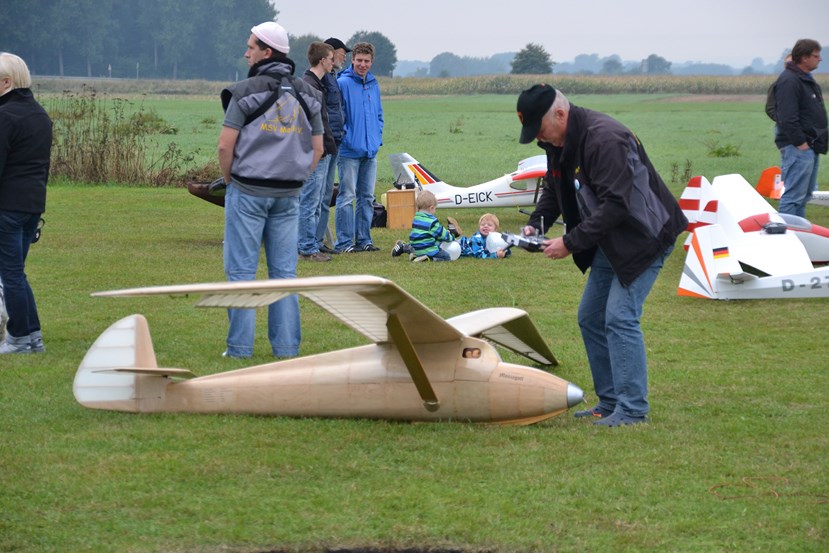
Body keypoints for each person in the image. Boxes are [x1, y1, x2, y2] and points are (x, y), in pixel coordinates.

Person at [516, 84, 687, 427]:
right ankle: (609, 402)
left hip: (644, 235)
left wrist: (570, 242)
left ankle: (633, 409)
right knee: (591, 317)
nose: (540, 139)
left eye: (541, 129)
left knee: (620, 318)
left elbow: (617, 205)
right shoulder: (557, 141)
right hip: (612, 239)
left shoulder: (604, 139)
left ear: (561, 115)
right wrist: (537, 223)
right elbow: (555, 185)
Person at [217, 22, 324, 358]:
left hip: (247, 192)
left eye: (251, 46)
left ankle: (238, 349)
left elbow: (225, 146)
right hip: (289, 195)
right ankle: (287, 349)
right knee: (284, 275)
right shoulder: (309, 93)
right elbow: (318, 148)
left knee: (241, 273)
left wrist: (231, 179)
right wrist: (298, 177)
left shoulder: (244, 91)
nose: (246, 52)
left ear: (266, 51)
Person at [0, 53, 52, 354]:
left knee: (10, 274)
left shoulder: (5, 117)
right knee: (17, 272)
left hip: (7, 206)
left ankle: (18, 338)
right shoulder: (39, 114)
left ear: (6, 82)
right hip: (32, 205)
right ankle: (33, 338)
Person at [334, 42, 384, 253]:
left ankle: (364, 239)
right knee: (347, 196)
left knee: (367, 197)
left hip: (370, 151)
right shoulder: (343, 83)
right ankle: (345, 242)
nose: (362, 65)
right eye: (359, 60)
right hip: (348, 151)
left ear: (371, 62)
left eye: (366, 61)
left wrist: (376, 138)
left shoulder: (373, 84)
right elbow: (338, 115)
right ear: (353, 60)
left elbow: (379, 115)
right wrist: (346, 138)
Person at [773, 39, 827, 217]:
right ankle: (787, 237)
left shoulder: (803, 79)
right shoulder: (790, 80)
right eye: (815, 56)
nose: (819, 59)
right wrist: (800, 143)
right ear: (804, 57)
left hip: (810, 145)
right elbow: (787, 117)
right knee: (793, 196)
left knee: (804, 195)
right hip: (798, 147)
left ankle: (798, 234)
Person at [297, 42, 337, 262]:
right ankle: (307, 249)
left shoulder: (316, 84)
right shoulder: (308, 86)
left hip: (322, 150)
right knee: (309, 202)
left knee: (312, 201)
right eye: (331, 59)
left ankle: (309, 244)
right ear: (323, 60)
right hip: (315, 153)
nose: (333, 63)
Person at [316, 37, 350, 255]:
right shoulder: (320, 80)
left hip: (335, 140)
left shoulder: (333, 77)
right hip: (324, 143)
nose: (344, 56)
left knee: (326, 193)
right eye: (341, 52)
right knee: (317, 194)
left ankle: (318, 240)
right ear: (329, 53)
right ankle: (310, 242)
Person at [405, 191, 455, 262]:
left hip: (416, 249)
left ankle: (416, 256)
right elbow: (442, 234)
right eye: (435, 209)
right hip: (428, 249)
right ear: (431, 208)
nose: (435, 211)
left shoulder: (416, 218)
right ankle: (429, 259)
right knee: (446, 257)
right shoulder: (432, 221)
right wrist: (451, 237)